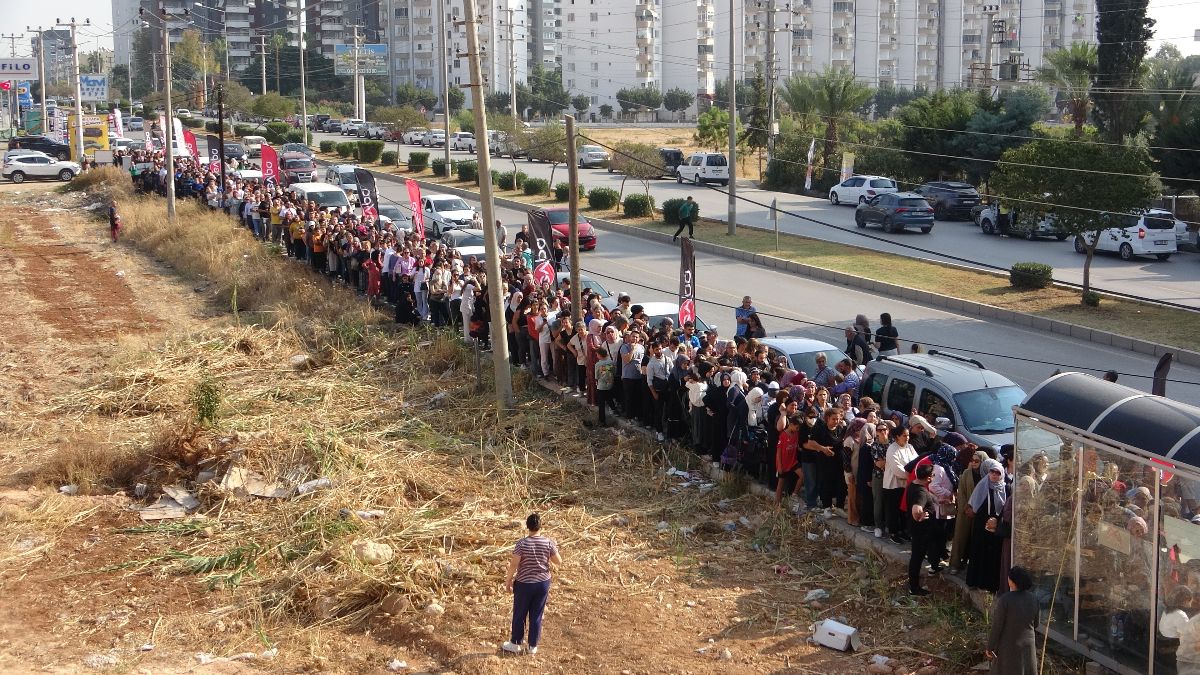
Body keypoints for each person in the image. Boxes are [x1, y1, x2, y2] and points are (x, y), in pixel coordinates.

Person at [503, 513, 562, 656]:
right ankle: (532, 646)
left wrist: (508, 580)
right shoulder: (548, 542)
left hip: (524, 583)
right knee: (536, 614)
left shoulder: (521, 543)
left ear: (527, 526)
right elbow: (558, 561)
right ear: (540, 526)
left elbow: (514, 565)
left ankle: (516, 643)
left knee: (520, 613)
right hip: (542, 583)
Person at [985, 566, 1038, 674]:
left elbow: (997, 626)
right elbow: (1036, 623)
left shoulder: (1005, 600)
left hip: (1009, 646)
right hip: (1029, 646)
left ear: (1012, 582)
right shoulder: (1034, 598)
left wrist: (990, 647)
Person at [966, 458, 1008, 592]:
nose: (994, 475)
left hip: (996, 526)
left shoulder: (1005, 488)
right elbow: (975, 505)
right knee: (979, 552)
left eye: (997, 473)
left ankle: (990, 584)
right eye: (992, 472)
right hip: (981, 525)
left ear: (1002, 474)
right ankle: (975, 582)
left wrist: (997, 520)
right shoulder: (983, 485)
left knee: (993, 555)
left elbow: (1005, 508)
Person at [907, 463, 939, 595]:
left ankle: (934, 565)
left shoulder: (914, 484)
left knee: (919, 554)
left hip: (918, 529)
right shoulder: (921, 492)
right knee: (917, 558)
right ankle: (914, 588)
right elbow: (916, 508)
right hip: (921, 531)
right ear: (929, 478)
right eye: (933, 475)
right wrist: (919, 516)